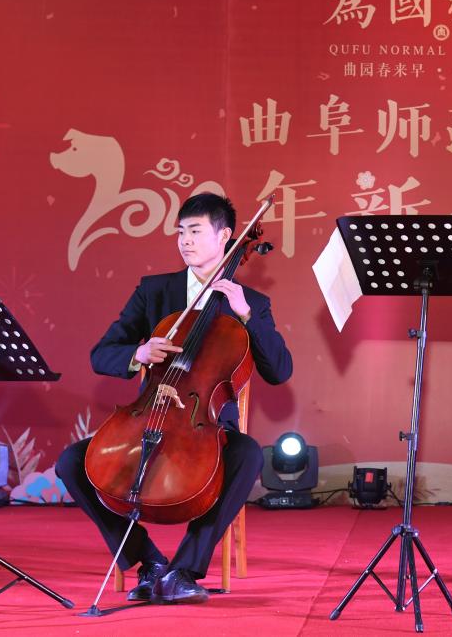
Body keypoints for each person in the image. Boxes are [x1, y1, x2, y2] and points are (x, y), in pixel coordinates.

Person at [57, 192, 292, 605]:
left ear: (225, 236)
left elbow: (279, 370)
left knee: (248, 455)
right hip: (148, 416)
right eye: (181, 232)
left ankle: (183, 570)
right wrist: (139, 352)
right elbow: (101, 353)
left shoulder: (251, 303)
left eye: (195, 231)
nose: (185, 240)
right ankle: (148, 561)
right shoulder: (154, 291)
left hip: (208, 428)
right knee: (72, 463)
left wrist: (246, 316)